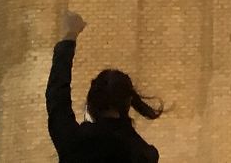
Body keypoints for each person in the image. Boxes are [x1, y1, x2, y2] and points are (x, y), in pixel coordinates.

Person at [48, 11, 162, 162]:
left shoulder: (73, 142)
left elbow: (57, 95)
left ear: (91, 102)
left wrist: (70, 36)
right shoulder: (142, 154)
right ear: (128, 103)